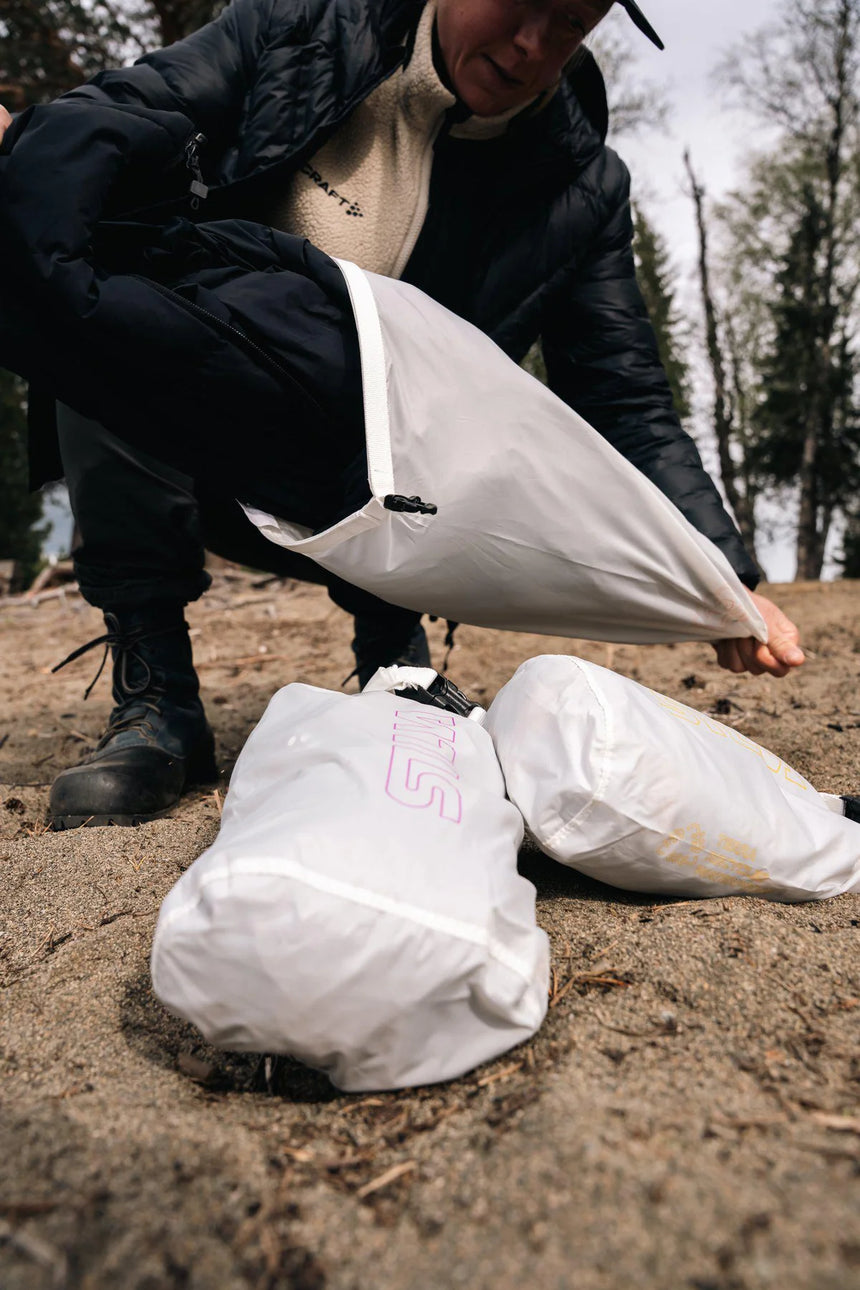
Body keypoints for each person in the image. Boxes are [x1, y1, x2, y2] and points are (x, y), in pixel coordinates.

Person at [0, 0, 804, 830]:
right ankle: (156, 700)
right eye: (520, 1)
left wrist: (725, 578)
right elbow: (139, 106)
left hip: (385, 496)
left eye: (568, 22)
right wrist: (25, 145)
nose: (533, 46)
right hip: (200, 429)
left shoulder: (581, 183)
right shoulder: (300, 28)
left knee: (417, 389)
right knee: (104, 272)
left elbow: (623, 392)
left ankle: (394, 655)